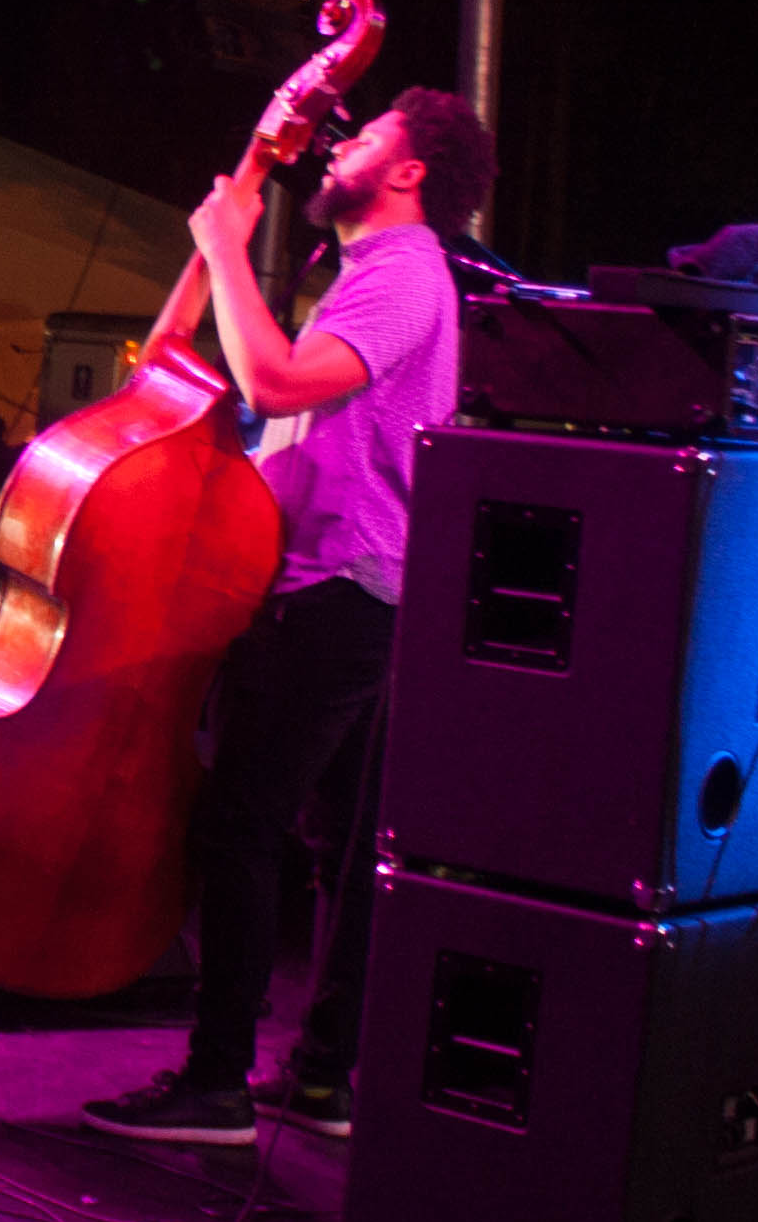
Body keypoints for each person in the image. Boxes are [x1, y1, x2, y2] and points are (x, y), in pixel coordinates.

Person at [82, 86, 496, 1147]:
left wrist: (226, 243)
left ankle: (216, 1083)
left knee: (240, 826)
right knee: (343, 845)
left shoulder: (404, 278)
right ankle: (322, 1080)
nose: (340, 147)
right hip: (347, 584)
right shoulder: (370, 275)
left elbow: (276, 376)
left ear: (407, 174)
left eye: (364, 138)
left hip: (341, 588)